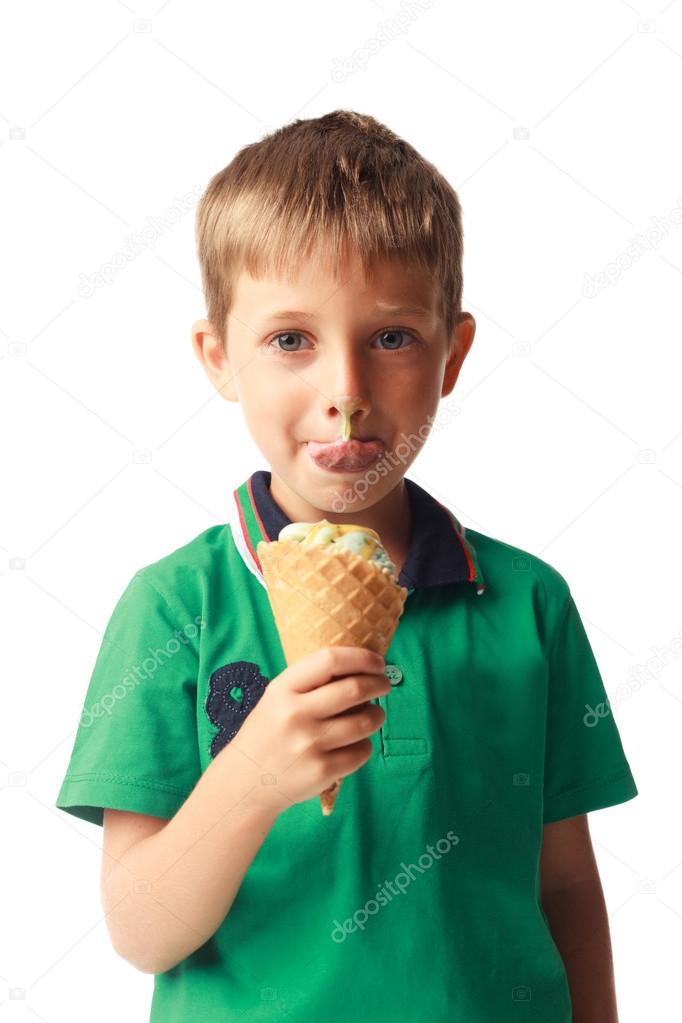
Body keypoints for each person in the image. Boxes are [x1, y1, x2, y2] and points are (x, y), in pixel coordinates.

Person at [55, 109, 638, 1022]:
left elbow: (565, 883)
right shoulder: (176, 607)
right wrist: (248, 781)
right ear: (219, 358)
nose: (347, 395)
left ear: (453, 354)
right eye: (292, 339)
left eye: (393, 337)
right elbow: (140, 930)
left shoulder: (529, 602)